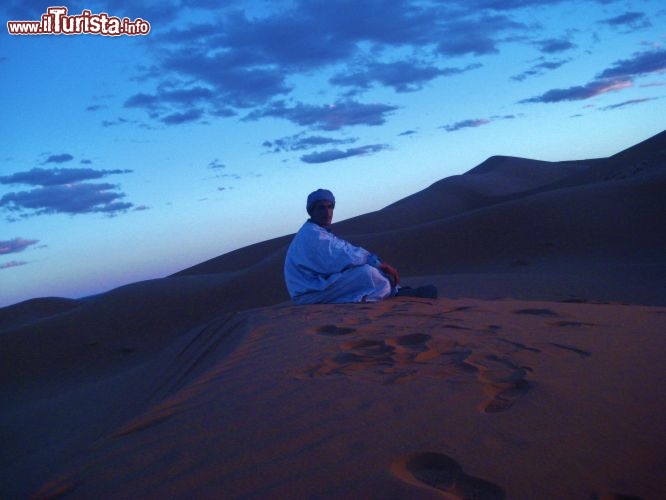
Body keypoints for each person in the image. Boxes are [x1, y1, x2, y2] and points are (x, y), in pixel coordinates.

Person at [284, 189, 436, 304]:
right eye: (321, 208)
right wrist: (376, 263)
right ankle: (394, 295)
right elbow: (341, 258)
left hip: (317, 286)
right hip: (308, 293)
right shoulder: (312, 235)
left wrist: (374, 261)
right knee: (367, 273)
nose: (327, 212)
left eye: (330, 207)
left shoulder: (318, 232)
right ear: (311, 211)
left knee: (367, 270)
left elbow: (345, 251)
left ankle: (397, 291)